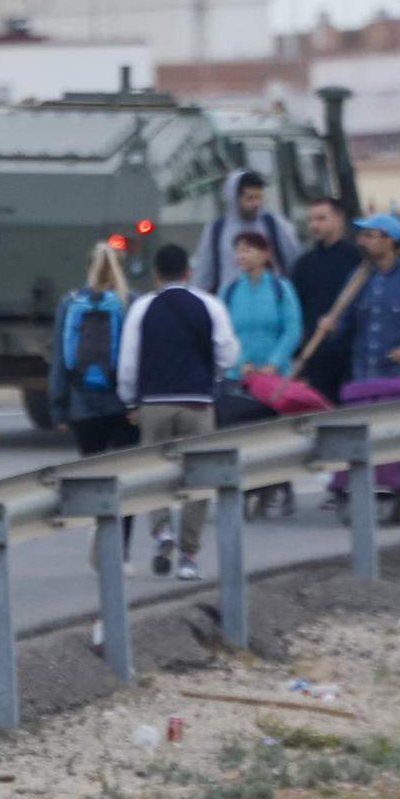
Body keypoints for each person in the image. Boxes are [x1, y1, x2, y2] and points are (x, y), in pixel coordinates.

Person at [117, 244, 241, 582]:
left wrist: (130, 401)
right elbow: (228, 354)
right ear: (188, 272)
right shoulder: (209, 305)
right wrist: (209, 377)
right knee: (199, 477)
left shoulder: (143, 308)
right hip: (198, 402)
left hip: (155, 403)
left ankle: (161, 531)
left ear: (156, 274)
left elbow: (128, 363)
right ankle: (188, 556)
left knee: (153, 472)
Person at [50, 244, 140, 576]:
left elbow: (60, 359)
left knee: (94, 476)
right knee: (124, 478)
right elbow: (137, 357)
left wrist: (58, 407)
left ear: (87, 267)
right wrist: (138, 401)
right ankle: (121, 552)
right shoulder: (132, 301)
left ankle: (99, 531)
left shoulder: (70, 302)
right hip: (122, 405)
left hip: (82, 405)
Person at [322, 214, 400, 384]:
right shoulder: (356, 278)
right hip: (364, 376)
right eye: (361, 235)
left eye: (368, 235)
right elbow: (345, 322)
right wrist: (332, 327)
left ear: (390, 239)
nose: (361, 242)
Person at [291, 196, 360, 403]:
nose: (314, 225)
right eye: (311, 220)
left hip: (352, 353)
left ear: (339, 219)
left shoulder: (357, 259)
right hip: (317, 355)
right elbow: (297, 312)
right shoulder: (303, 264)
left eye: (321, 218)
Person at [191, 168, 301, 293]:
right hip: (230, 306)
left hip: (270, 304)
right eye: (250, 198)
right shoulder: (216, 231)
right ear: (234, 199)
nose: (256, 204)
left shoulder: (275, 225)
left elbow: (295, 265)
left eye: (259, 197)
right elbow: (203, 275)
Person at [220, 232, 302, 381]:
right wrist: (241, 363)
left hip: (277, 376)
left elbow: (292, 330)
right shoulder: (228, 290)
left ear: (266, 253)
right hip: (238, 377)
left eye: (247, 250)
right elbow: (223, 332)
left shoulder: (282, 288)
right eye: (238, 251)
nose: (241, 256)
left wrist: (274, 363)